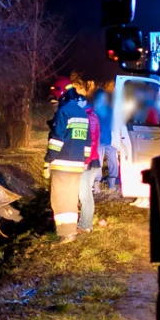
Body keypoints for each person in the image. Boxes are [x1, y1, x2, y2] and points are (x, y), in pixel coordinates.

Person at [43, 76, 92, 244]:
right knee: (71, 199)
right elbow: (87, 141)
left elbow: (57, 140)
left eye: (55, 95)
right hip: (77, 164)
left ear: (60, 93)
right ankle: (70, 232)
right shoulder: (82, 112)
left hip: (62, 163)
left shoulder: (64, 112)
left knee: (59, 200)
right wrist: (84, 160)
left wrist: (48, 160)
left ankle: (65, 234)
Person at [78, 94, 101, 232]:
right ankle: (84, 223)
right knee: (84, 193)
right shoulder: (89, 116)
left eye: (79, 101)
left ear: (84, 102)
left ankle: (86, 225)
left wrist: (85, 161)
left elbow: (91, 142)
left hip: (89, 161)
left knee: (85, 194)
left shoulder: (89, 117)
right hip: (90, 160)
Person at [92, 89, 119, 190]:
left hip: (110, 140)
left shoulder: (110, 110)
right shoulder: (93, 110)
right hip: (98, 141)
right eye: (101, 97)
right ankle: (97, 184)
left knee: (113, 161)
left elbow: (115, 123)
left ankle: (112, 184)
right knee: (98, 161)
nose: (103, 99)